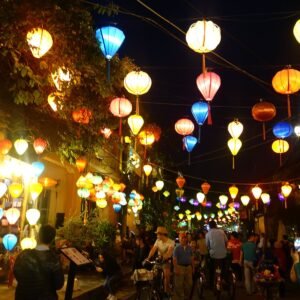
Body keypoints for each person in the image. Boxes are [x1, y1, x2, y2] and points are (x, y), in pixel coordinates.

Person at [13, 224, 64, 300]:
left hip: (23, 296)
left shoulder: (24, 255)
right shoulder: (54, 259)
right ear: (52, 239)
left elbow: (16, 273)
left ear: (38, 236)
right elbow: (58, 284)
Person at [146, 226, 175, 295]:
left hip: (166, 260)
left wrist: (164, 256)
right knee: (153, 274)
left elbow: (169, 252)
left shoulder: (171, 242)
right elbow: (153, 250)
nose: (156, 236)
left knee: (166, 275)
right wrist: (148, 258)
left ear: (162, 235)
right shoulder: (158, 241)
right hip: (158, 260)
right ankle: (154, 288)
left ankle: (166, 291)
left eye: (157, 234)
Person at [205, 220, 228, 288]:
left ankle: (210, 283)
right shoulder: (221, 232)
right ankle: (224, 279)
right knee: (223, 267)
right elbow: (226, 241)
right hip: (223, 254)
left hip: (213, 256)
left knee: (210, 268)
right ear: (216, 225)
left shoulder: (208, 234)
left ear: (209, 226)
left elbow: (207, 245)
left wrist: (210, 249)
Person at [173, 232, 194, 300]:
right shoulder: (177, 248)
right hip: (180, 267)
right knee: (179, 285)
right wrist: (176, 268)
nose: (184, 239)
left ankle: (186, 297)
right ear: (179, 239)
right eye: (182, 238)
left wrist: (193, 267)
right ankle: (180, 297)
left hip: (188, 267)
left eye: (185, 238)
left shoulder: (189, 247)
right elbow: (174, 259)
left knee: (189, 284)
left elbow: (191, 258)